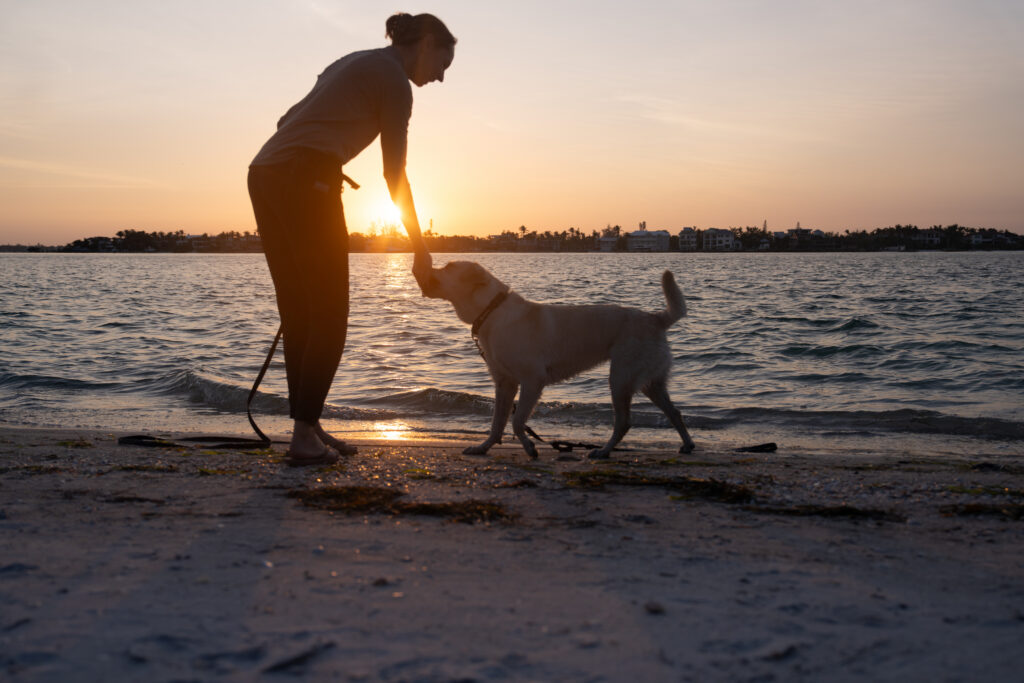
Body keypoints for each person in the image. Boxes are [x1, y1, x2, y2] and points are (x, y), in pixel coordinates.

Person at [248, 12, 456, 466]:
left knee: (299, 311)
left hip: (264, 173)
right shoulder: (396, 84)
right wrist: (419, 247)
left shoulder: (352, 60)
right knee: (329, 313)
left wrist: (325, 150)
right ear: (425, 45)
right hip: (306, 178)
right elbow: (393, 173)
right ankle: (304, 434)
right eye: (443, 63)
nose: (440, 77)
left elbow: (287, 118)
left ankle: (308, 426)